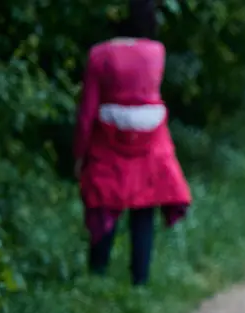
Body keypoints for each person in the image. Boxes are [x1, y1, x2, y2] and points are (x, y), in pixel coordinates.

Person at [74, 0, 191, 286]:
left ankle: (97, 275)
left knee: (104, 203)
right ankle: (140, 280)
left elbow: (88, 110)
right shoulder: (156, 53)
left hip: (107, 140)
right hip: (150, 141)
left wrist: (79, 152)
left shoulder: (99, 55)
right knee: (145, 207)